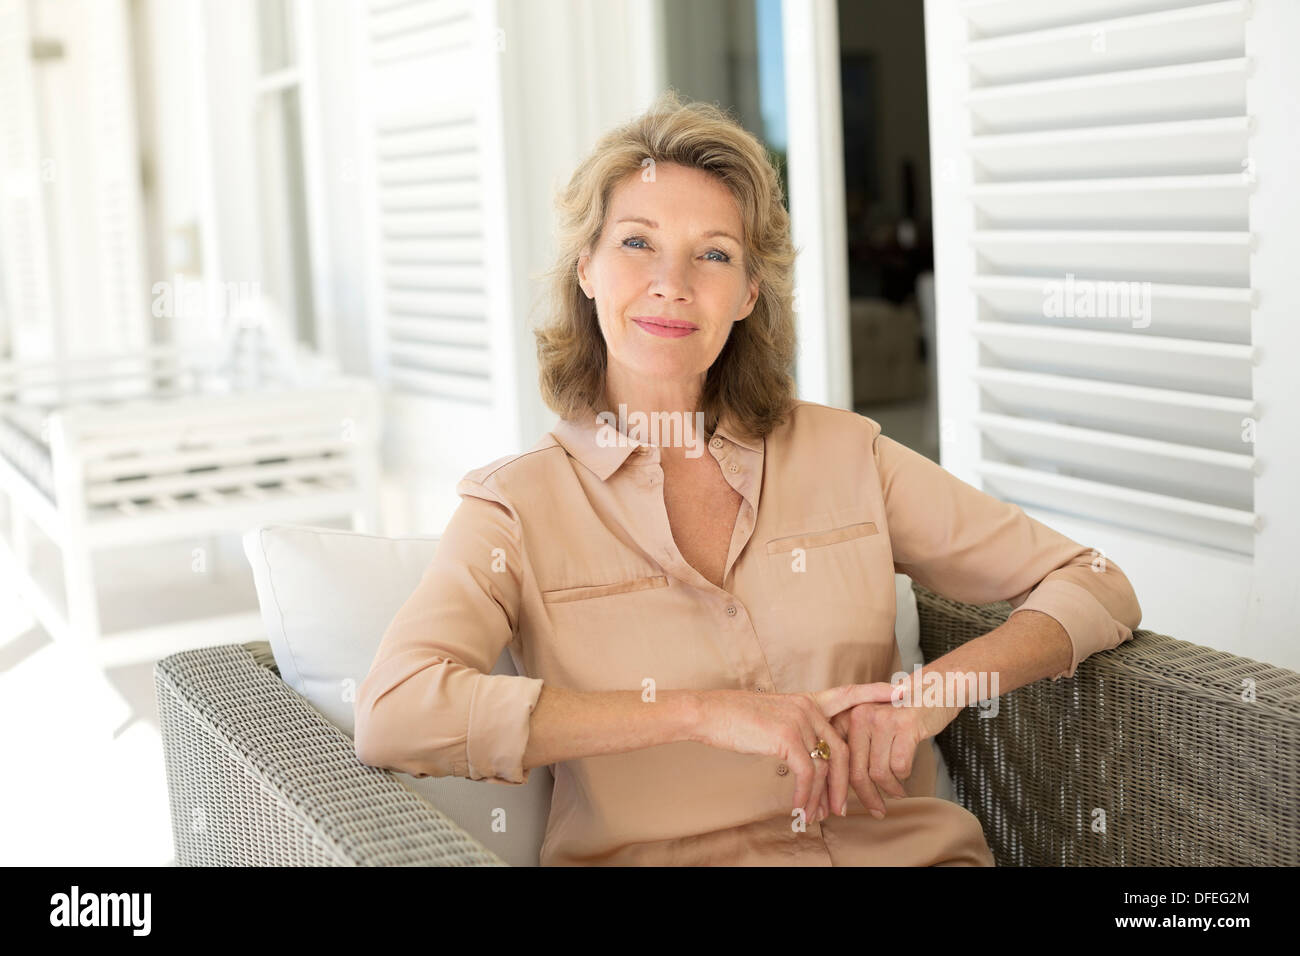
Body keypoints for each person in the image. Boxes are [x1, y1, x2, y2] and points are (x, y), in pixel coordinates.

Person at [353, 90, 1143, 866]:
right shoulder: (515, 508)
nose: (673, 282)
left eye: (714, 254)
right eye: (637, 243)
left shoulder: (847, 454)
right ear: (586, 268)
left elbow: (1095, 581)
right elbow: (396, 712)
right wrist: (697, 713)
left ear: (748, 293)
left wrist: (928, 697)